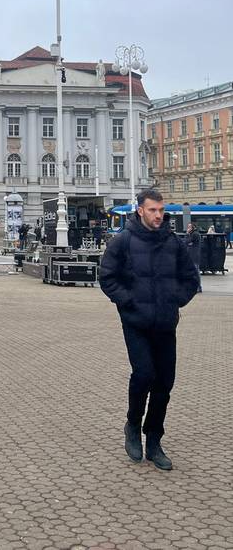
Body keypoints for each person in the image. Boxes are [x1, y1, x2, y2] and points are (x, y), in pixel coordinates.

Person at [99, 189, 200, 471]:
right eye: (153, 210)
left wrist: (175, 299)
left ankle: (154, 440)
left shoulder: (173, 242)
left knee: (164, 382)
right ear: (141, 210)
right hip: (136, 322)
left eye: (161, 210)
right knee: (144, 374)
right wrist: (128, 302)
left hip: (165, 322)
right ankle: (132, 424)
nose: (159, 215)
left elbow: (191, 277)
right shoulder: (123, 241)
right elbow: (107, 277)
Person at [184, 223, 202, 292]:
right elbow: (186, 243)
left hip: (194, 256)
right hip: (191, 256)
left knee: (195, 272)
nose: (188, 228)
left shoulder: (195, 234)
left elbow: (186, 241)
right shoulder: (192, 234)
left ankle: (198, 287)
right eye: (188, 227)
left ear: (193, 227)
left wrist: (187, 234)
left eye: (189, 227)